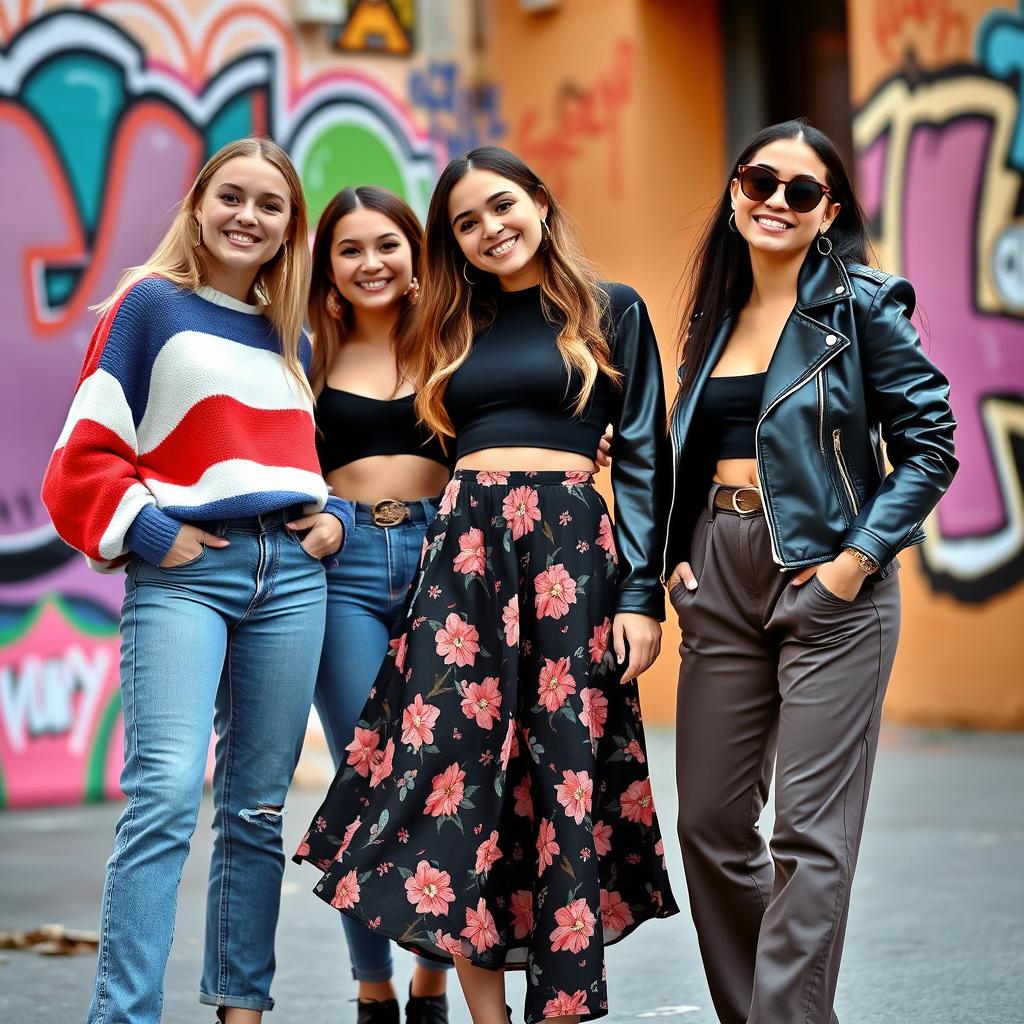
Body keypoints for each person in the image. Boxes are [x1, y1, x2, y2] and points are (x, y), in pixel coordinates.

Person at [294, 146, 679, 1024]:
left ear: (540, 202)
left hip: (573, 562)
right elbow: (364, 412)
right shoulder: (444, 321)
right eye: (464, 222)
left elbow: (649, 455)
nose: (488, 230)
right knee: (451, 785)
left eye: (501, 206)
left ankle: (561, 1004)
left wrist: (640, 595)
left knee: (559, 783)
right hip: (462, 562)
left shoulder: (612, 310)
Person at [41, 137, 352, 1024]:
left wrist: (334, 518)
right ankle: (125, 1015)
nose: (248, 216)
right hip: (188, 574)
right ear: (199, 204)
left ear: (291, 226)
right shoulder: (147, 307)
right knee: (167, 794)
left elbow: (309, 462)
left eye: (272, 204)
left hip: (293, 579)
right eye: (233, 196)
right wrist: (148, 529)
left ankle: (239, 1010)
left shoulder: (290, 333)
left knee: (256, 810)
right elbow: (84, 453)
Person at [664, 119, 958, 1024]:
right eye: (760, 181)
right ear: (735, 191)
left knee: (807, 835)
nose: (776, 202)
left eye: (802, 191)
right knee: (710, 827)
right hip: (721, 567)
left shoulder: (863, 305)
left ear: (829, 210)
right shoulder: (714, 316)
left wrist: (854, 561)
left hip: (829, 578)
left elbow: (930, 445)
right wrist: (678, 556)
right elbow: (688, 443)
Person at [307, 185, 455, 1024]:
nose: (372, 263)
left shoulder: (452, 344)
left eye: (388, 244)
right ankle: (373, 989)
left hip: (448, 557)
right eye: (351, 249)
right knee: (366, 776)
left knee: (440, 774)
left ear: (415, 254)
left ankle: (430, 982)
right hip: (345, 564)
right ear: (330, 269)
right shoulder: (308, 357)